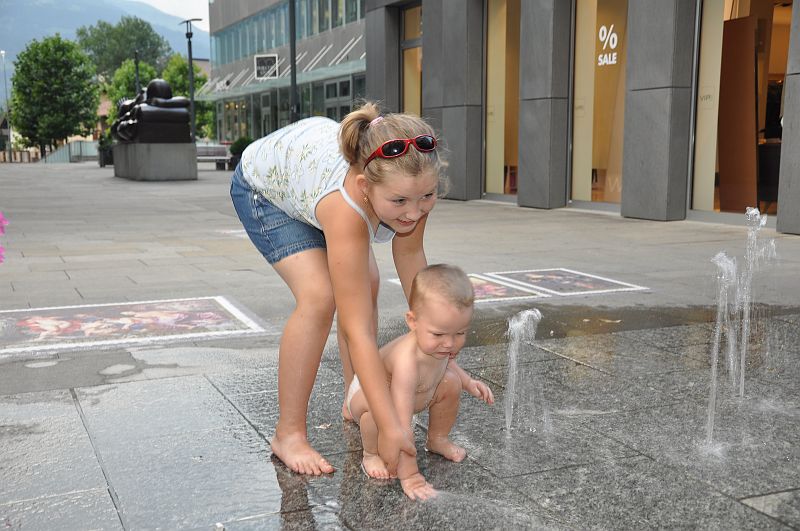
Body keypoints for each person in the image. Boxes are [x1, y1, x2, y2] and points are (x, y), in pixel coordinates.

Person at [230, 102, 445, 476]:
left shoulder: (411, 184)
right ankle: (288, 434)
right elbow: (357, 329)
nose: (413, 213)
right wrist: (389, 425)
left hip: (310, 177)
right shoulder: (346, 207)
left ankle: (353, 398)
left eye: (427, 197)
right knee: (321, 296)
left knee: (366, 282)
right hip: (266, 188)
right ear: (365, 187)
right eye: (399, 202)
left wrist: (436, 331)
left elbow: (411, 255)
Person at [345, 264, 495, 500]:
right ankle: (370, 454)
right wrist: (410, 475)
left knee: (451, 382)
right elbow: (401, 423)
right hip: (368, 394)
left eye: (460, 333)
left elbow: (448, 363)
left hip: (412, 393)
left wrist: (468, 382)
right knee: (377, 414)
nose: (450, 344)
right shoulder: (407, 362)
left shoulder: (438, 345)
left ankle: (437, 439)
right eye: (439, 334)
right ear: (412, 321)